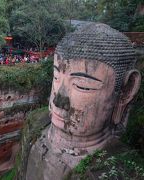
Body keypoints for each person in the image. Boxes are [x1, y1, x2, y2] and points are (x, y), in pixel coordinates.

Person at [26, 23, 141, 180]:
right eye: (56, 77)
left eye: (82, 86)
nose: (57, 101)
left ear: (125, 92)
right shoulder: (35, 127)